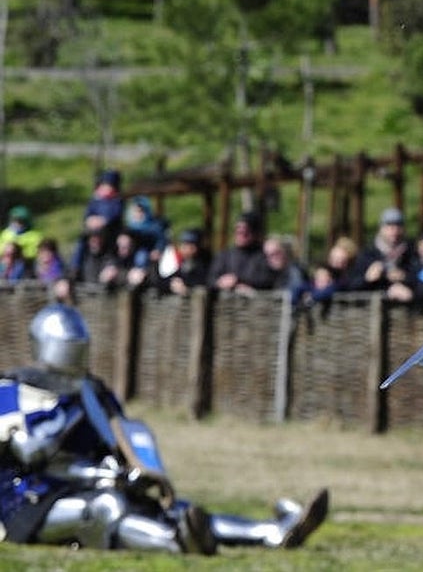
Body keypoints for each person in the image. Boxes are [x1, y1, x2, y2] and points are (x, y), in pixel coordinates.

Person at [0, 282, 329, 554]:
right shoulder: (10, 391)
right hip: (25, 502)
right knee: (107, 506)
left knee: (173, 508)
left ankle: (270, 532)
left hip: (85, 486)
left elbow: (122, 442)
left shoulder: (93, 392)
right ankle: (177, 542)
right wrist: (72, 416)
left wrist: (136, 474)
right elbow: (30, 452)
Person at [348, 208, 417, 292]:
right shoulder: (367, 254)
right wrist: (367, 279)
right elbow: (350, 285)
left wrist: (405, 277)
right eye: (390, 226)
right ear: (381, 228)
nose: (395, 231)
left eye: (399, 226)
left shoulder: (413, 252)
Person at [207, 212, 276, 294]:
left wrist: (239, 281)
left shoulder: (263, 255)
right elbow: (210, 280)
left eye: (245, 233)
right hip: (225, 302)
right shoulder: (224, 256)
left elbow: (268, 280)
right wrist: (219, 283)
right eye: (238, 232)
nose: (241, 236)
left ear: (255, 233)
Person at [150, 228, 213, 296]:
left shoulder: (205, 261)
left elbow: (205, 279)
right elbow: (163, 280)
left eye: (186, 245)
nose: (182, 248)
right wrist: (172, 283)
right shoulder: (185, 261)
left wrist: (185, 284)